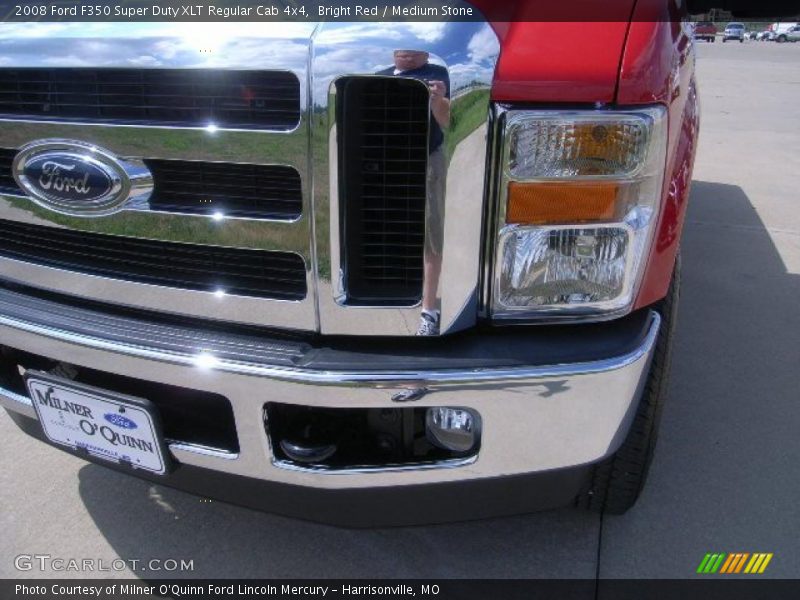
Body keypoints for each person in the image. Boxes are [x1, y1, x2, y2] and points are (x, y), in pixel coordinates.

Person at [377, 50, 450, 335]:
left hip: (428, 160)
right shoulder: (380, 77)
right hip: (390, 162)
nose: (404, 49)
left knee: (432, 235)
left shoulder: (438, 75)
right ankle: (393, 292)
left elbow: (445, 122)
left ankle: (428, 313)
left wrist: (437, 99)